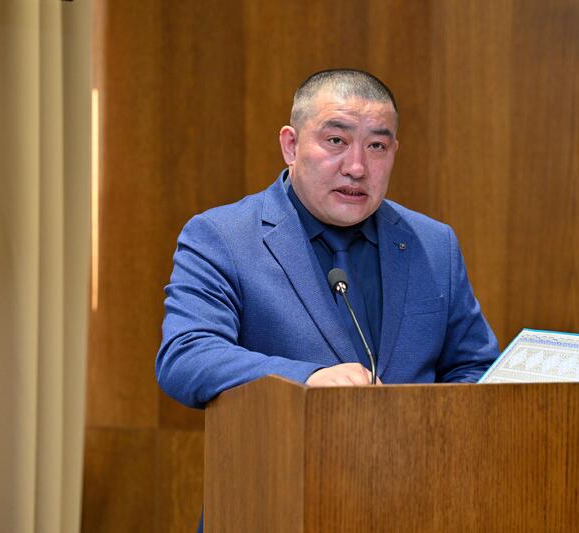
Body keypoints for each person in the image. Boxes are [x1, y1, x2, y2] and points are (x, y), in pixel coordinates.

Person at [156, 68, 499, 409]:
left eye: (376, 146)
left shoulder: (433, 243)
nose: (356, 167)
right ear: (291, 146)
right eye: (336, 141)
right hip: (286, 444)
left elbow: (474, 368)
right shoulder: (223, 237)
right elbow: (187, 356)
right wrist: (307, 378)